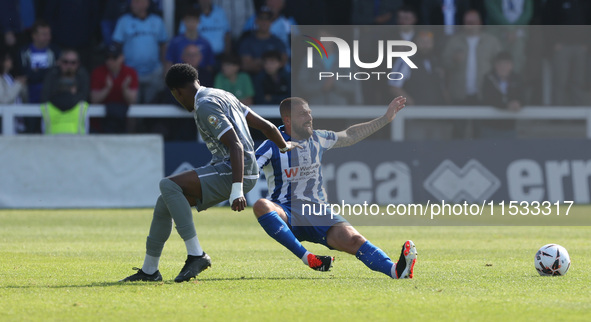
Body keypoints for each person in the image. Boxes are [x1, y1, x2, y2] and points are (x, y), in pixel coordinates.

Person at [120, 63, 299, 282]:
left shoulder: (204, 105)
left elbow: (236, 145)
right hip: (235, 168)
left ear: (177, 92)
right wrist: (284, 146)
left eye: (175, 96)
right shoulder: (222, 94)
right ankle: (149, 271)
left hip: (235, 169)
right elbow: (267, 126)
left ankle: (196, 254)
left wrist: (237, 189)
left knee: (168, 184)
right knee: (164, 200)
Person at [253, 96, 417, 278]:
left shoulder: (318, 138)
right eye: (302, 114)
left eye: (309, 112)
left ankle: (396, 271)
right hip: (287, 211)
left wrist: (385, 118)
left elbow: (350, 135)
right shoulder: (272, 145)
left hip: (318, 212)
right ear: (288, 120)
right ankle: (308, 257)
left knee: (354, 240)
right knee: (261, 205)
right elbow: (250, 169)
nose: (309, 117)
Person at [543, 0, 591, 106]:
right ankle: (558, 118)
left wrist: (587, 45)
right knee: (560, 83)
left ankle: (578, 118)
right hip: (561, 48)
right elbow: (546, 24)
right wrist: (553, 44)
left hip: (581, 48)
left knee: (579, 82)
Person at [112, 0, 168, 104]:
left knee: (152, 106)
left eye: (137, 1)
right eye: (133, 1)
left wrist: (165, 67)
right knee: (131, 106)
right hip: (130, 71)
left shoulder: (157, 21)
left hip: (154, 71)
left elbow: (163, 45)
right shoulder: (123, 21)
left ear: (146, 3)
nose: (133, 4)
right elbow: (116, 46)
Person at [90, 44, 139, 133]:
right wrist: (107, 89)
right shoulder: (97, 72)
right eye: (107, 57)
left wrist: (124, 89)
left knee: (132, 112)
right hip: (102, 119)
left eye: (114, 57)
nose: (110, 61)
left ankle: (130, 137)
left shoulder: (130, 72)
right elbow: (94, 100)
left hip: (123, 116)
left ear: (122, 57)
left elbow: (133, 101)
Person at [479, 51, 524, 138]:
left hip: (509, 128)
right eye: (500, 64)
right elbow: (488, 99)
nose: (503, 67)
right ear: (495, 65)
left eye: (506, 64)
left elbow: (523, 98)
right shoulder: (488, 78)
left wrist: (518, 103)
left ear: (511, 65)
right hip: (490, 128)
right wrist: (506, 105)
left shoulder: (517, 79)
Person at [18, 20, 59, 105]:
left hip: (51, 97)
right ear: (34, 36)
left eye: (49, 34)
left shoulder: (55, 51)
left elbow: (56, 73)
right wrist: (48, 70)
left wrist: (37, 71)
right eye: (44, 34)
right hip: (28, 98)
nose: (48, 37)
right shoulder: (24, 51)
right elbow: (26, 74)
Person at [238, 7, 287, 76]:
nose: (264, 22)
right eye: (261, 19)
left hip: (274, 78)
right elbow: (246, 65)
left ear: (271, 22)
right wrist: (270, 63)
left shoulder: (277, 42)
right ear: (256, 21)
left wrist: (258, 62)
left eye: (267, 19)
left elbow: (283, 61)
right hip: (254, 78)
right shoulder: (247, 41)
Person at [0, 52, 27, 134]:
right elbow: (3, 100)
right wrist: (18, 84)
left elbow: (23, 99)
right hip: (3, 121)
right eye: (8, 59)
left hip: (16, 119)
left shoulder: (9, 77)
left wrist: (23, 86)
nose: (11, 61)